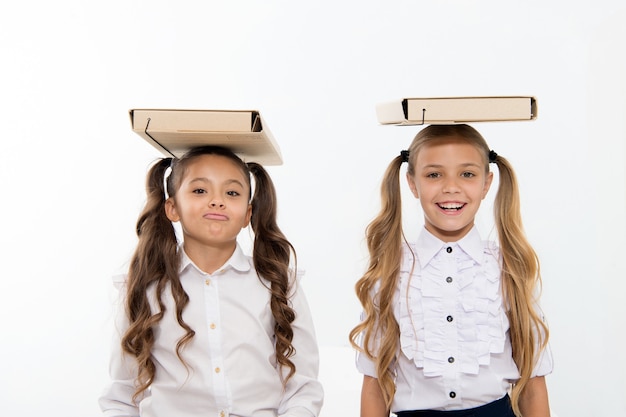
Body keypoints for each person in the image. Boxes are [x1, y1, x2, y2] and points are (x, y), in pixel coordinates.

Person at [99, 146, 323, 417]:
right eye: (200, 190)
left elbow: (303, 389)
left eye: (232, 193)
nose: (217, 201)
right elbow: (122, 396)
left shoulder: (279, 284)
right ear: (172, 207)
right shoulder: (141, 288)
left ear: (247, 214)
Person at [349, 124, 553, 417]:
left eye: (467, 174)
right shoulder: (390, 273)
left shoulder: (509, 269)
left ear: (486, 183)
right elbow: (374, 386)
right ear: (412, 183)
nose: (451, 187)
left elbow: (533, 386)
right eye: (434, 174)